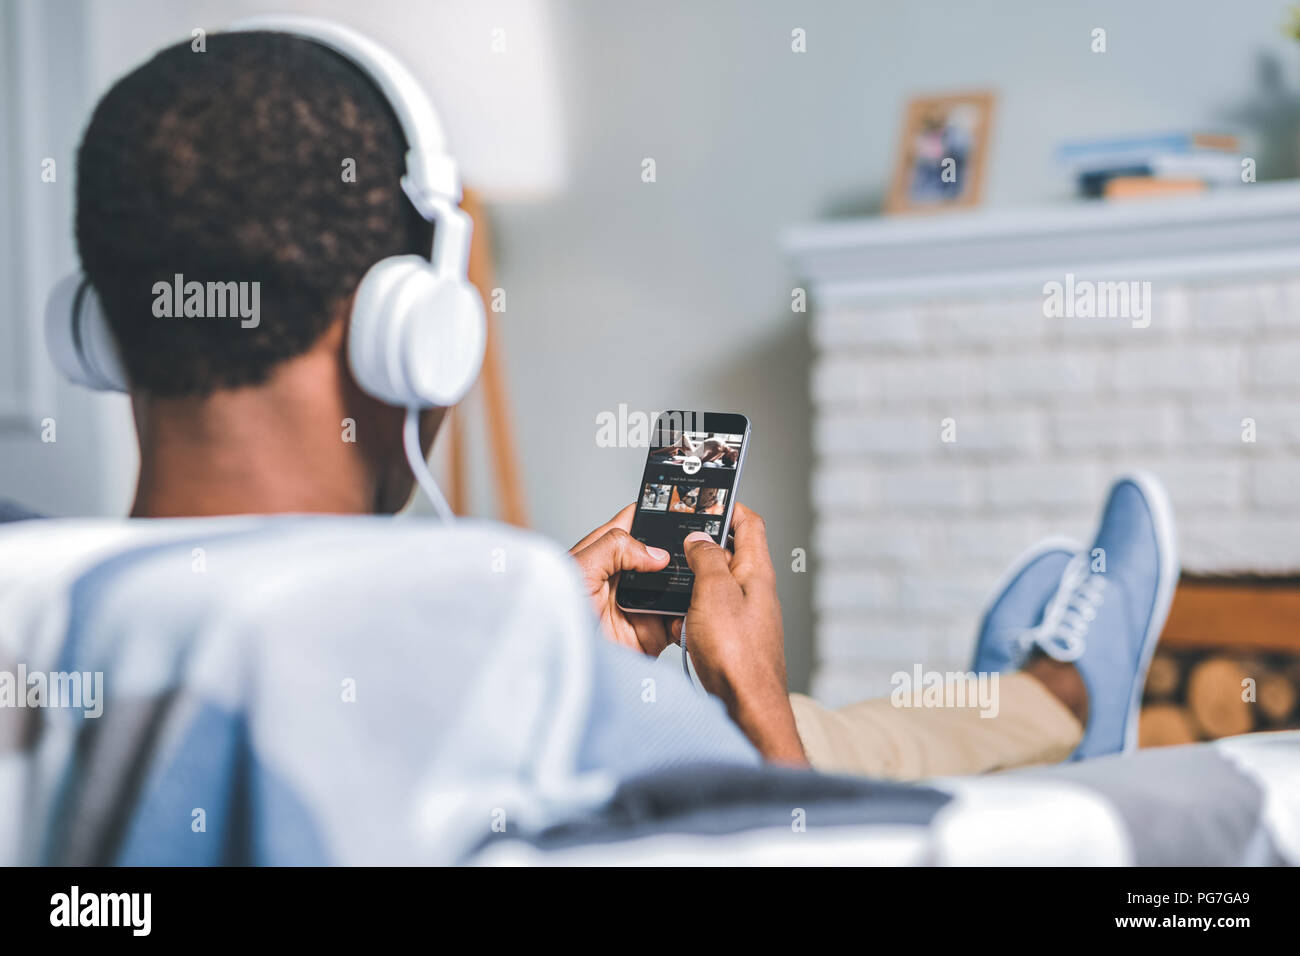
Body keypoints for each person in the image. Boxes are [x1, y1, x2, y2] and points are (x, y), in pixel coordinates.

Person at [14, 27, 1175, 782]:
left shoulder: (40, 609)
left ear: (100, 331)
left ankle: (1044, 696)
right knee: (835, 737)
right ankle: (1061, 696)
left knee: (872, 724)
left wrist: (551, 650)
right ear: (412, 332)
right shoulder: (428, 683)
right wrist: (755, 706)